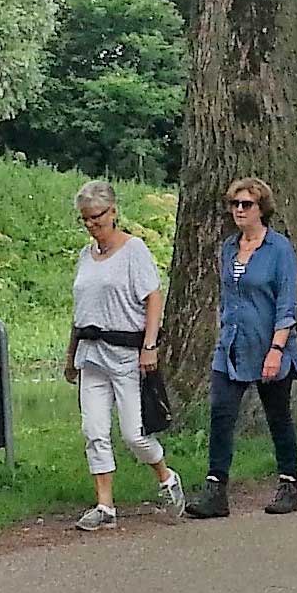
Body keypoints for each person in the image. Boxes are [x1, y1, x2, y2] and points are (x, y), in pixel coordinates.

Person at [184, 177, 297, 518]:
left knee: (278, 417)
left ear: (261, 208)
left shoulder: (278, 249)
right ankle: (215, 489)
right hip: (231, 346)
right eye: (234, 204)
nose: (239, 210)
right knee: (221, 415)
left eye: (246, 204)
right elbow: (228, 297)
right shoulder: (228, 248)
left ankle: (289, 484)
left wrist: (277, 349)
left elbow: (286, 302)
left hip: (269, 345)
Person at [65, 180, 182, 531]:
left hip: (127, 354)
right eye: (85, 219)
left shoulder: (135, 251)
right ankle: (104, 505)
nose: (91, 224)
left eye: (96, 217)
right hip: (91, 354)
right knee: (94, 430)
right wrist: (71, 354)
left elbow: (153, 299)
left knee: (135, 434)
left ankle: (166, 477)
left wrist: (150, 346)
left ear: (113, 212)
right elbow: (80, 310)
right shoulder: (86, 257)